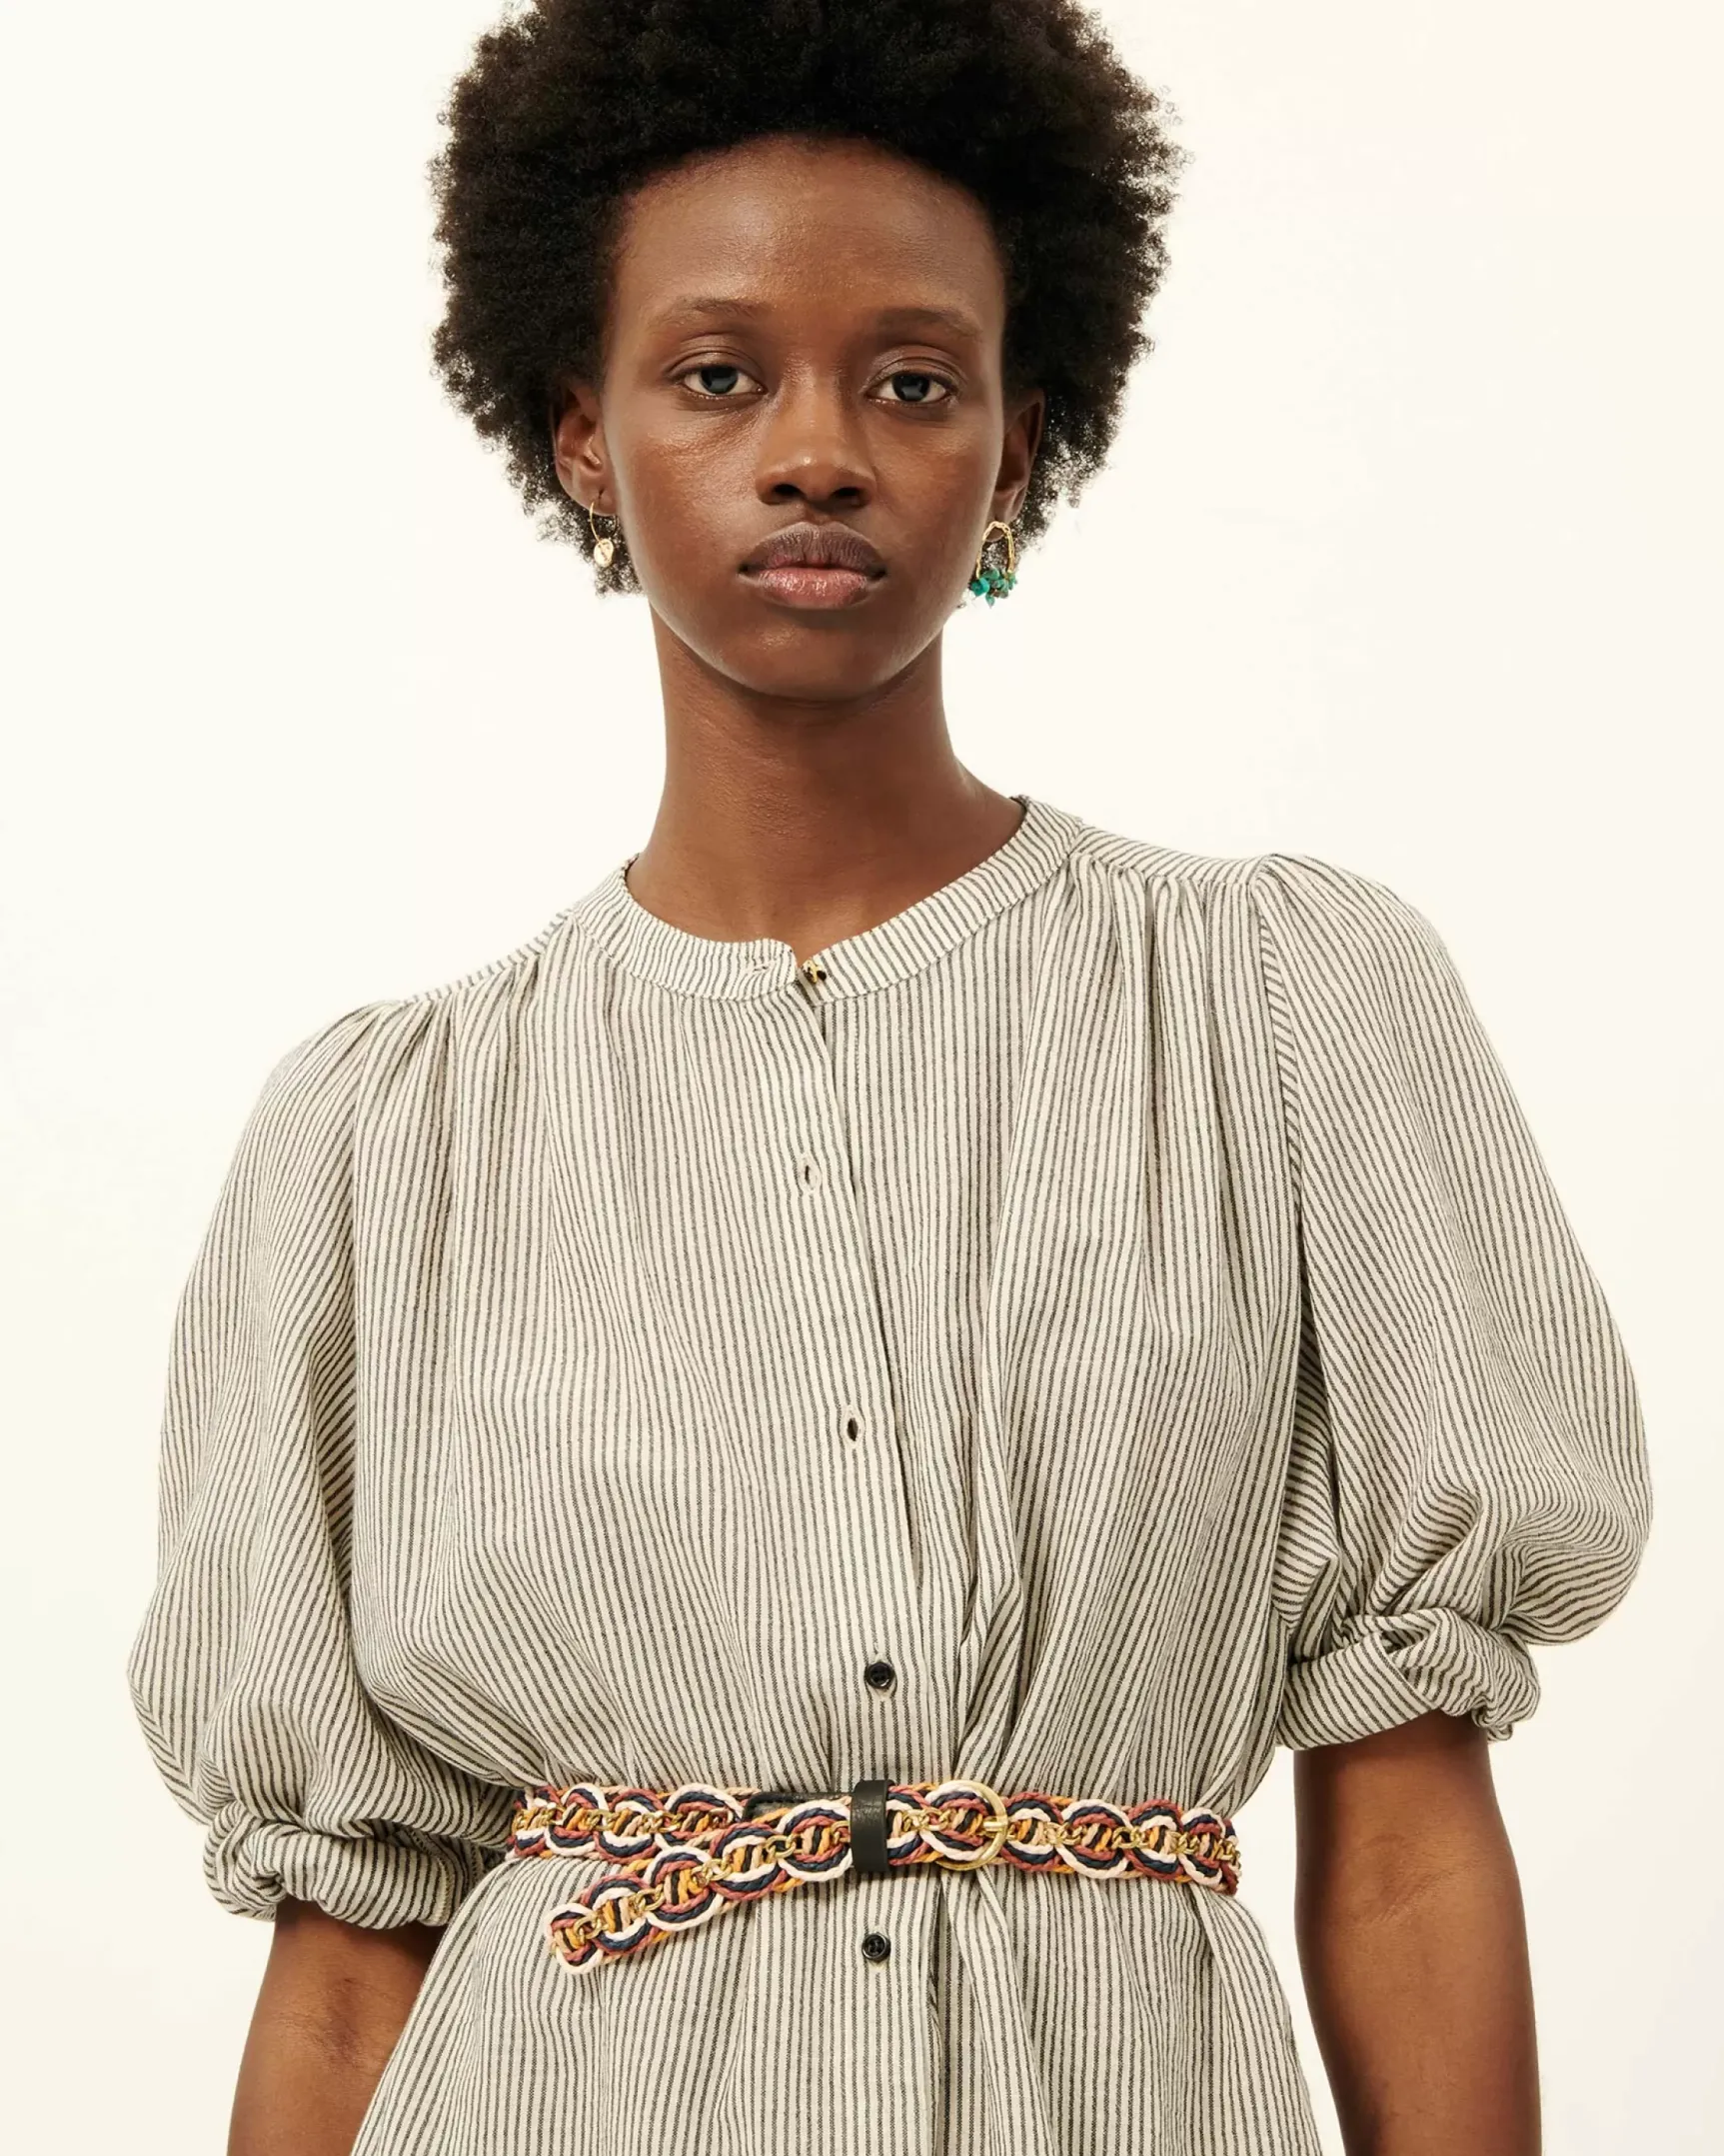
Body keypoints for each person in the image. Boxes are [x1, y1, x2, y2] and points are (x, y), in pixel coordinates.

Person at [125, 2, 1653, 2152]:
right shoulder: (380, 1144)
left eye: (915, 381)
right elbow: (344, 1966)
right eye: (717, 374)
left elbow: (1405, 1834)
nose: (818, 452)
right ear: (583, 438)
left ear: (1018, 452)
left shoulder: (1281, 1006)